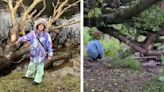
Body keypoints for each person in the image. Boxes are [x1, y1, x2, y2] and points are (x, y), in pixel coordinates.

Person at [15, 18, 53, 85]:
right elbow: (25, 37)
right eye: (39, 25)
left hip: (41, 55)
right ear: (37, 26)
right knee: (31, 66)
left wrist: (50, 54)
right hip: (33, 54)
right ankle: (29, 75)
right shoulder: (32, 33)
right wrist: (18, 40)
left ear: (44, 27)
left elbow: (49, 45)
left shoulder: (47, 35)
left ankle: (37, 80)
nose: (41, 26)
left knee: (40, 68)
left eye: (42, 25)